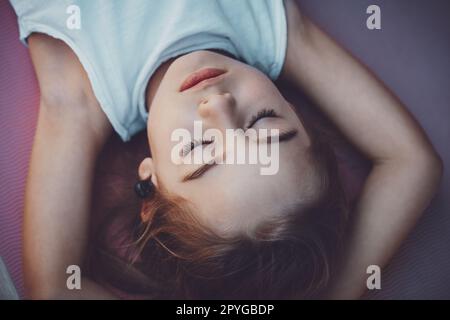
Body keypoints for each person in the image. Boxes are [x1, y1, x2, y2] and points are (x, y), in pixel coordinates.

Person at [12, 0, 442, 299]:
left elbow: (53, 287)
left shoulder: (81, 90)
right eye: (264, 122)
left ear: (150, 178)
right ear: (296, 112)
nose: (217, 104)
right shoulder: (272, 30)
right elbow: (412, 162)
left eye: (198, 148)